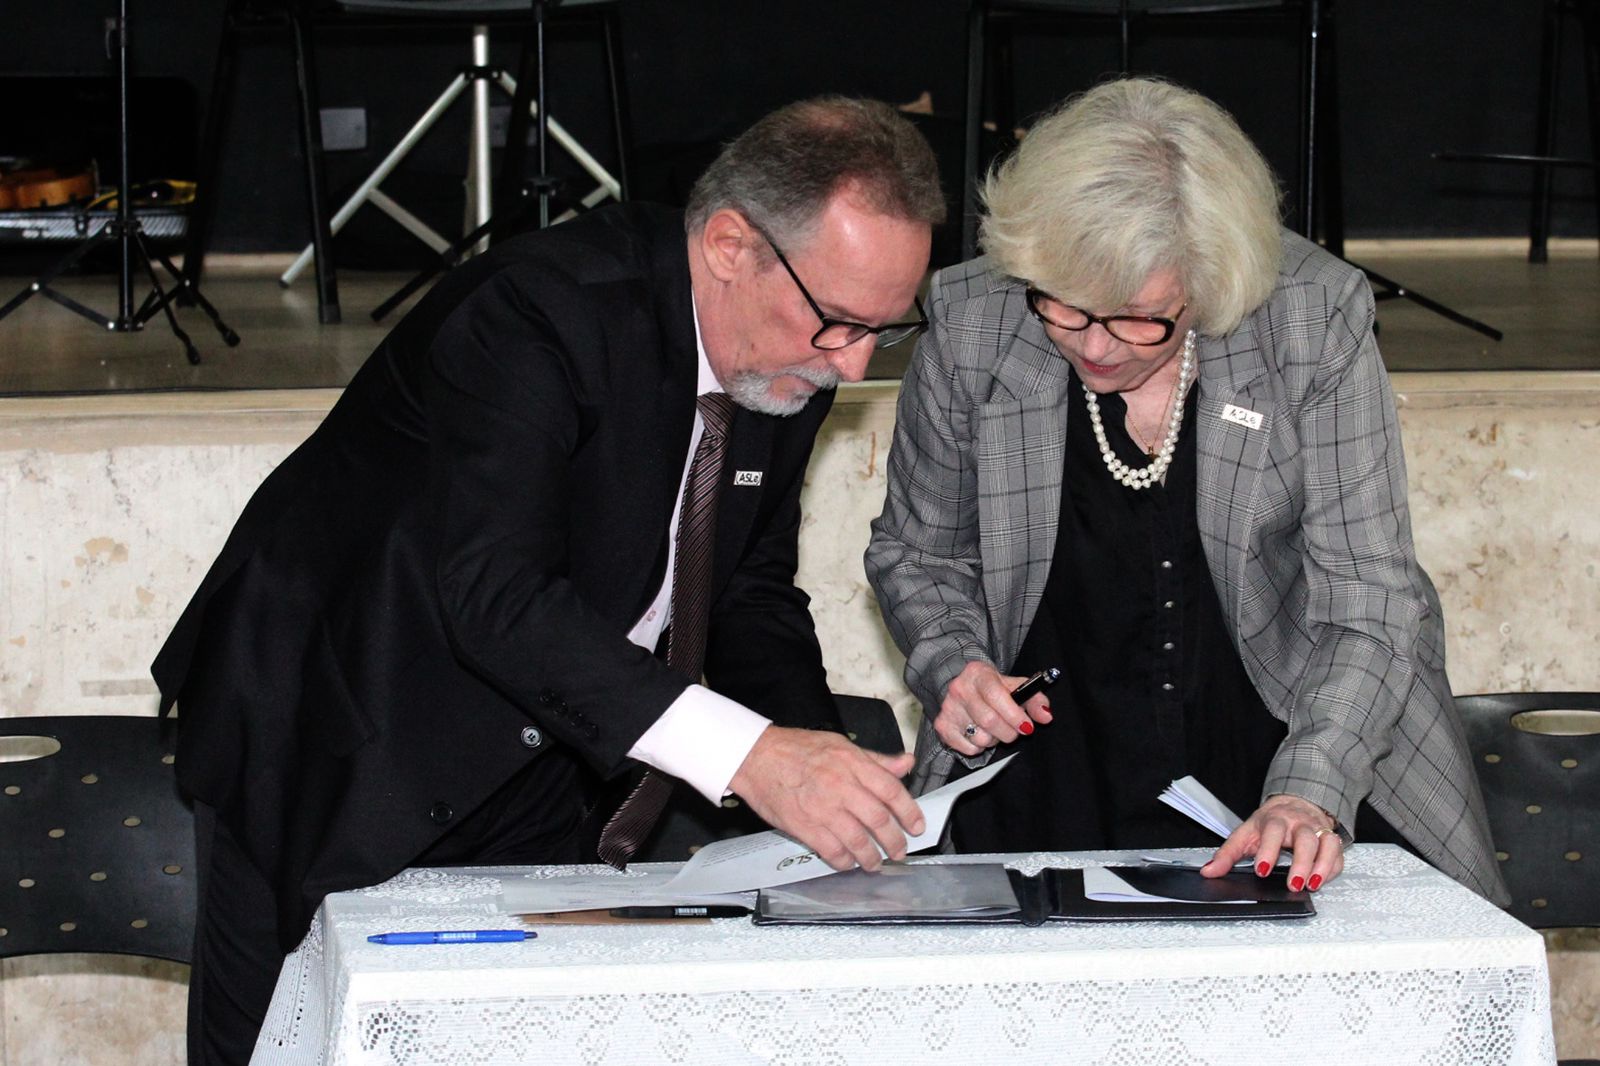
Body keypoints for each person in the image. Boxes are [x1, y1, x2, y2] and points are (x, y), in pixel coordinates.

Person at [154, 96, 944, 1065]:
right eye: (839, 323)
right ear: (731, 245)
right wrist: (753, 758)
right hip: (334, 724)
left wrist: (823, 781)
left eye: (883, 330)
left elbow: (745, 591)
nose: (853, 366)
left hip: (540, 738)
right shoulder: (539, 311)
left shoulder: (785, 354)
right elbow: (494, 593)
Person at [865, 78, 1508, 906]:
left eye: (1138, 318)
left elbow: (1371, 596)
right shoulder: (975, 322)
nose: (1096, 346)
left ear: (1207, 284)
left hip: (1289, 745)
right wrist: (954, 664)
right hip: (1052, 764)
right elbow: (917, 553)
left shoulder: (1309, 319)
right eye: (1065, 307)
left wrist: (1310, 787)